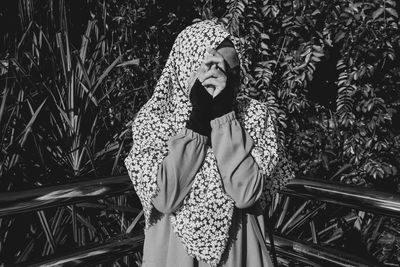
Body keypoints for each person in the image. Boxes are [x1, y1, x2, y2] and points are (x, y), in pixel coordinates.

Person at [124, 20, 295, 267]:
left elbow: (246, 193)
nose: (227, 82)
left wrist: (224, 115)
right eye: (214, 69)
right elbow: (166, 198)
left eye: (233, 72)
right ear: (187, 66)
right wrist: (198, 119)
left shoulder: (253, 115)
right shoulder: (155, 120)